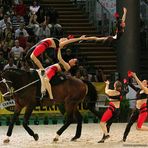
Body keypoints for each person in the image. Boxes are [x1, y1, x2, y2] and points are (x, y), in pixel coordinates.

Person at [28, 35, 98, 99]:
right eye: (73, 58)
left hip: (53, 69)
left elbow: (60, 59)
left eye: (73, 60)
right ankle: (42, 91)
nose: (72, 59)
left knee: (46, 79)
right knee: (40, 76)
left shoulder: (67, 66)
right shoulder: (66, 62)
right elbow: (59, 56)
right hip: (50, 67)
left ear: (74, 64)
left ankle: (48, 96)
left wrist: (59, 49)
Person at [123, 72, 148, 142]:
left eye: (144, 82)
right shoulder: (139, 90)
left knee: (138, 128)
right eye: (142, 81)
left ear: (146, 85)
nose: (142, 82)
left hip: (143, 110)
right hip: (137, 110)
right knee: (129, 124)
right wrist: (127, 82)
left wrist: (135, 76)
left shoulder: (146, 90)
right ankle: (124, 138)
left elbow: (139, 84)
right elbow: (132, 86)